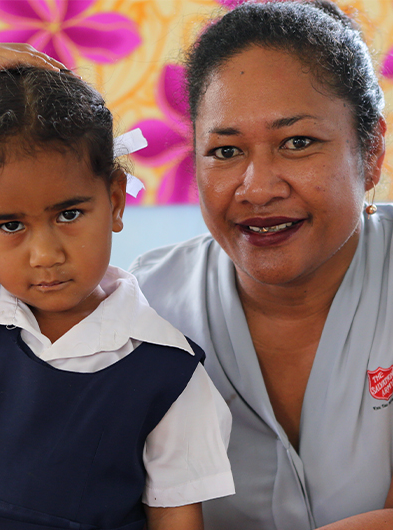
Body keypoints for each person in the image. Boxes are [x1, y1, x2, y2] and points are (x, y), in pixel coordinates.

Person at [0, 44, 235, 530]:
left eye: (69, 214)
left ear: (115, 200)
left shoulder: (170, 374)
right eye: (10, 225)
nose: (45, 254)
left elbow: (175, 519)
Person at [130, 1, 393, 529]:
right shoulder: (141, 311)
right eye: (226, 151)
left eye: (298, 143)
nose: (257, 188)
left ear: (370, 153)